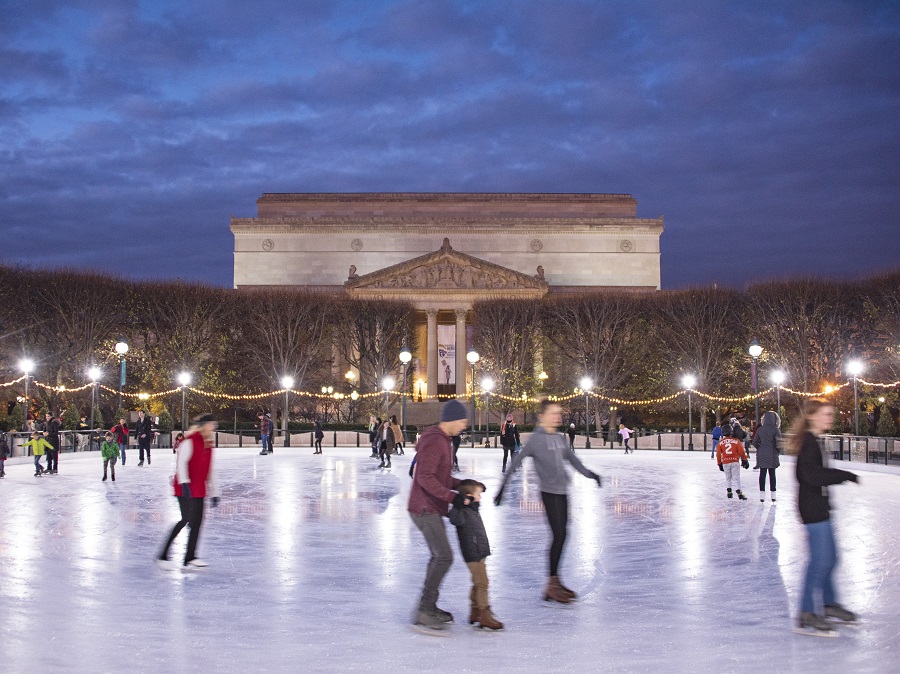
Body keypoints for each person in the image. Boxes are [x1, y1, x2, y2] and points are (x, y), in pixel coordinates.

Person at [494, 399, 603, 605]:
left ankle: (554, 581)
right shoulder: (536, 440)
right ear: (542, 417)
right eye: (553, 413)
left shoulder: (560, 439)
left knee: (562, 534)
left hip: (562, 492)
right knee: (559, 534)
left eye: (558, 413)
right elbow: (515, 463)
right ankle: (552, 583)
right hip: (549, 493)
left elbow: (573, 460)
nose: (558, 417)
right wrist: (502, 489)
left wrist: (591, 474)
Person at [791, 399, 859, 636]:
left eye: (831, 414)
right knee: (820, 562)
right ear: (812, 416)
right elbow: (809, 475)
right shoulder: (808, 443)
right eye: (826, 414)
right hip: (812, 510)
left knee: (830, 558)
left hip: (820, 507)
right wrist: (844, 475)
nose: (830, 418)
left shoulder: (815, 441)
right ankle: (806, 613)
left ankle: (829, 603)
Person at [407, 399, 471, 635]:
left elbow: (440, 478)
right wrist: (452, 497)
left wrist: (463, 485)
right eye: (463, 422)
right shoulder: (435, 440)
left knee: (440, 556)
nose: (464, 426)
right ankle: (425, 608)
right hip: (424, 508)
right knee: (443, 556)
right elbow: (424, 477)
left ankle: (428, 605)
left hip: (430, 506)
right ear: (452, 419)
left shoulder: (442, 439)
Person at [158, 413, 220, 570]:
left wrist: (215, 492)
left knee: (197, 523)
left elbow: (209, 470)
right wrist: (184, 483)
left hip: (199, 489)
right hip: (184, 488)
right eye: (211, 424)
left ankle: (190, 557)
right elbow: (182, 463)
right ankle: (163, 555)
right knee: (185, 519)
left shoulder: (208, 444)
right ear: (205, 425)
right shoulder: (190, 441)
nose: (213, 427)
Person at [448, 479, 503, 631]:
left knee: (477, 582)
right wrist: (459, 504)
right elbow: (454, 518)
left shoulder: (473, 508)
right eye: (478, 494)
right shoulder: (462, 510)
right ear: (468, 495)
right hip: (472, 552)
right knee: (482, 583)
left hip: (479, 550)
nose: (480, 497)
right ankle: (484, 614)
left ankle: (475, 610)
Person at [753, 411, 782, 502]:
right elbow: (778, 443)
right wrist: (778, 451)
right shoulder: (775, 429)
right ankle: (773, 495)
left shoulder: (760, 429)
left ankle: (762, 495)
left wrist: (760, 448)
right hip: (772, 453)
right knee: (772, 474)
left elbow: (754, 442)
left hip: (762, 453)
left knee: (762, 473)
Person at [716, 424, 749, 500]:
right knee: (736, 478)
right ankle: (739, 492)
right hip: (734, 461)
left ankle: (729, 492)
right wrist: (745, 460)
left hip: (725, 462)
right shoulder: (736, 441)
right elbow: (741, 452)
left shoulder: (721, 442)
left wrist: (719, 464)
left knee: (728, 477)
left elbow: (718, 454)